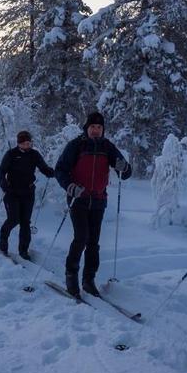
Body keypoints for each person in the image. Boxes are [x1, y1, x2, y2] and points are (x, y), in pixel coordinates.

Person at [54, 111, 132, 297]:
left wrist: (125, 168)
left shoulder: (107, 147)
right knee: (81, 237)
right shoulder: (76, 145)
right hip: (78, 198)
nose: (96, 130)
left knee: (94, 243)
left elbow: (125, 171)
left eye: (99, 127)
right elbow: (60, 170)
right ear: (86, 128)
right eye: (92, 127)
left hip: (98, 201)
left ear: (102, 129)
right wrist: (69, 186)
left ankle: (88, 280)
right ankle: (71, 275)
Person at [0, 130, 55, 258]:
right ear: (19, 143)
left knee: (25, 222)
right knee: (13, 219)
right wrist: (4, 185)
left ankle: (23, 251)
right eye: (24, 143)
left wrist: (51, 172)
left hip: (28, 192)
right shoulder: (11, 154)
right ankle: (3, 239)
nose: (26, 146)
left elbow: (43, 167)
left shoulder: (34, 154)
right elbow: (1, 171)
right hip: (12, 192)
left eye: (28, 143)